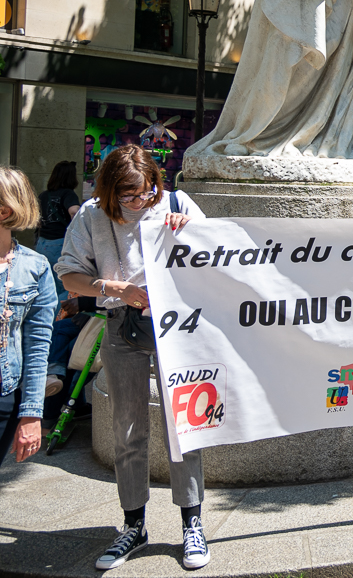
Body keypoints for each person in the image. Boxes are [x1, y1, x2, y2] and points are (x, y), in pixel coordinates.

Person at [56, 145, 210, 571]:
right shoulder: (90, 215)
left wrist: (191, 231)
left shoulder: (174, 202)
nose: (139, 202)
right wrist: (113, 288)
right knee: (127, 430)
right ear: (109, 190)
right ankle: (133, 525)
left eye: (145, 193)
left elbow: (217, 255)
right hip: (121, 324)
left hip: (176, 324)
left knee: (183, 424)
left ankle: (191, 524)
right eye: (128, 195)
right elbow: (69, 274)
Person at [0, 167, 58, 467]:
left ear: (3, 211)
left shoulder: (34, 268)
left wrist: (32, 414)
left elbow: (37, 349)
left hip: (4, 398)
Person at [36, 160, 81, 302]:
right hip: (59, 244)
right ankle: (56, 320)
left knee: (45, 286)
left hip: (42, 244)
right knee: (64, 285)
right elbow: (74, 211)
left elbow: (36, 220)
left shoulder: (44, 195)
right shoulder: (68, 194)